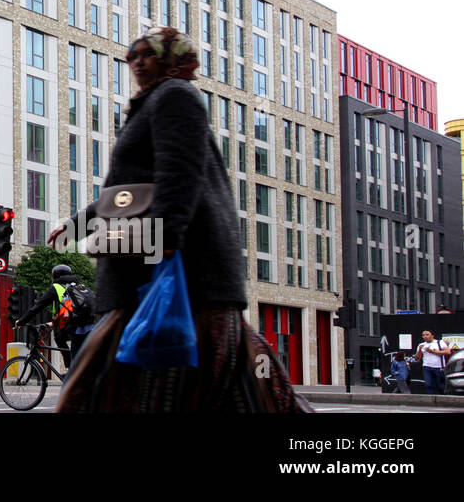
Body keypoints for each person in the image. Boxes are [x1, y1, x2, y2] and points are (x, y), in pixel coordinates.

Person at [50, 27, 310, 413]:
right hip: (161, 281)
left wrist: (164, 240)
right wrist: (78, 223)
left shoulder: (175, 96)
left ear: (171, 58)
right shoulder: (154, 102)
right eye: (131, 54)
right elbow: (128, 192)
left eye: (147, 53)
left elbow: (179, 175)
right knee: (238, 392)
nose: (137, 61)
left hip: (176, 280)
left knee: (104, 392)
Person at [15, 264, 92, 369]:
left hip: (75, 325)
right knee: (75, 350)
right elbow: (70, 310)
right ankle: (73, 370)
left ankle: (70, 371)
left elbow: (38, 306)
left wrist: (22, 321)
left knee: (59, 337)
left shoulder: (56, 287)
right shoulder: (79, 286)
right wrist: (53, 323)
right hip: (90, 323)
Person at [415, 330, 451, 395]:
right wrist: (420, 349)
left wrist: (434, 352)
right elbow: (417, 358)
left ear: (432, 335)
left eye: (427, 334)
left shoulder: (439, 342)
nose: (425, 336)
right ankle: (429, 399)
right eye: (423, 335)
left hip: (438, 367)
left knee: (440, 386)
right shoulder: (421, 345)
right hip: (427, 367)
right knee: (428, 384)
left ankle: (442, 398)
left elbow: (448, 352)